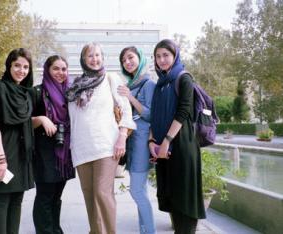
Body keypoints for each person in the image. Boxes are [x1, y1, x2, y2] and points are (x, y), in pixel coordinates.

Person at [66, 42, 135, 234]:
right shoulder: (75, 87)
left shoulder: (111, 78)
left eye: (97, 55)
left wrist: (122, 137)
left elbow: (126, 111)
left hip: (106, 146)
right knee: (89, 196)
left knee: (102, 193)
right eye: (90, 56)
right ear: (83, 60)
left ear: (103, 58)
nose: (94, 59)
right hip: (81, 149)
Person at [149, 39, 206, 234]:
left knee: (185, 201)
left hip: (181, 145)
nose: (162, 60)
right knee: (173, 199)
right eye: (158, 56)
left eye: (166, 55)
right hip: (165, 147)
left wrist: (166, 141)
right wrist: (151, 141)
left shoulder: (184, 78)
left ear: (175, 56)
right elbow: (154, 114)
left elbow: (183, 112)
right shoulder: (161, 83)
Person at [0, 48, 34, 234]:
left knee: (17, 199)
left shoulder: (25, 93)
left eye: (26, 67)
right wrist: (1, 159)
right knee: (2, 199)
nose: (21, 70)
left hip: (21, 153)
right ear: (9, 66)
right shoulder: (0, 89)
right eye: (17, 65)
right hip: (3, 151)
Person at [31, 55, 75, 234]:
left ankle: (56, 230)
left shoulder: (70, 93)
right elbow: (24, 121)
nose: (60, 73)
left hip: (64, 153)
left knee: (57, 196)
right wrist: (41, 119)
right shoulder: (36, 92)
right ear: (47, 70)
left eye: (64, 69)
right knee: (45, 196)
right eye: (56, 68)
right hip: (43, 153)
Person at [118, 46, 156, 234]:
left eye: (131, 57)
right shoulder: (131, 84)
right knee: (141, 191)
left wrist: (130, 98)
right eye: (124, 60)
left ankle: (149, 231)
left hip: (142, 144)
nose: (127, 62)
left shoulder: (148, 84)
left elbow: (150, 115)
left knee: (137, 192)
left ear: (139, 58)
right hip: (132, 143)